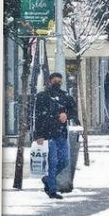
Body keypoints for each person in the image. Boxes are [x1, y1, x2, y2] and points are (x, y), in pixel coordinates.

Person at [33, 71, 75, 200]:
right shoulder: (42, 97)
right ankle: (52, 190)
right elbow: (38, 117)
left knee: (64, 161)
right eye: (54, 81)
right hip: (47, 135)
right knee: (53, 162)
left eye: (59, 82)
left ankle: (47, 179)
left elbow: (73, 111)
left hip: (61, 134)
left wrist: (67, 115)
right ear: (49, 81)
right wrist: (38, 135)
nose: (57, 84)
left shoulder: (65, 96)